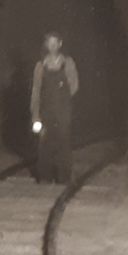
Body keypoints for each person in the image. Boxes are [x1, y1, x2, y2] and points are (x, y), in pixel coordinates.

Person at [30, 32, 79, 184]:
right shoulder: (41, 65)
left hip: (63, 111)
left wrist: (62, 98)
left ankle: (64, 177)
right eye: (49, 43)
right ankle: (45, 176)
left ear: (60, 44)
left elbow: (74, 84)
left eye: (55, 43)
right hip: (46, 110)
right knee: (45, 142)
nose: (52, 46)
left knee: (63, 142)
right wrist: (35, 115)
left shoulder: (68, 63)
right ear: (46, 45)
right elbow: (36, 90)